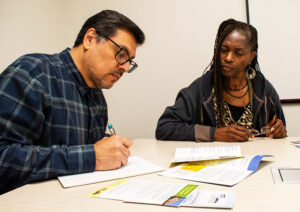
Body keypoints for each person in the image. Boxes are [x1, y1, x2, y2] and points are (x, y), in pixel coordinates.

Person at [0, 10, 145, 194]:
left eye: (130, 61)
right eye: (121, 54)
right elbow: (3, 157)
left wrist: (109, 148)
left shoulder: (97, 98)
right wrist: (91, 156)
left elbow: (84, 151)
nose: (125, 68)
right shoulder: (33, 73)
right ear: (90, 39)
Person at [156, 19, 286, 142]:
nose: (228, 58)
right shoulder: (201, 89)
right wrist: (214, 133)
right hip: (212, 163)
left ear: (251, 56)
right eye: (224, 50)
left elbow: (280, 133)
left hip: (254, 163)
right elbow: (164, 127)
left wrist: (278, 132)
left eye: (238, 53)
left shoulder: (264, 90)